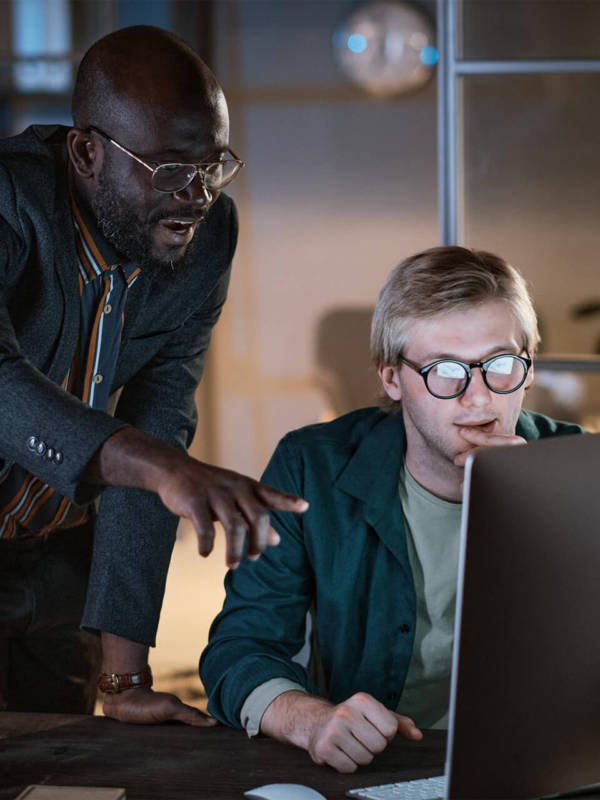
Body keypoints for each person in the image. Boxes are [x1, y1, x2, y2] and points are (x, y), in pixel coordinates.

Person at [0, 26, 307, 723]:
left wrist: (126, 677)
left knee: (67, 779)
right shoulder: (7, 204)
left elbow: (160, 414)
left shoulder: (206, 239)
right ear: (87, 152)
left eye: (213, 164)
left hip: (56, 566)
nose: (198, 193)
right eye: (171, 167)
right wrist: (158, 466)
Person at [201, 246, 584, 772]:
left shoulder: (580, 470)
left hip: (540, 764)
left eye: (499, 365)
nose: (478, 398)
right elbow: (238, 648)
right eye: (446, 370)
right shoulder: (311, 465)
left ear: (529, 367)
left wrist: (541, 515)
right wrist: (310, 720)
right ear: (390, 378)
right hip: (377, 767)